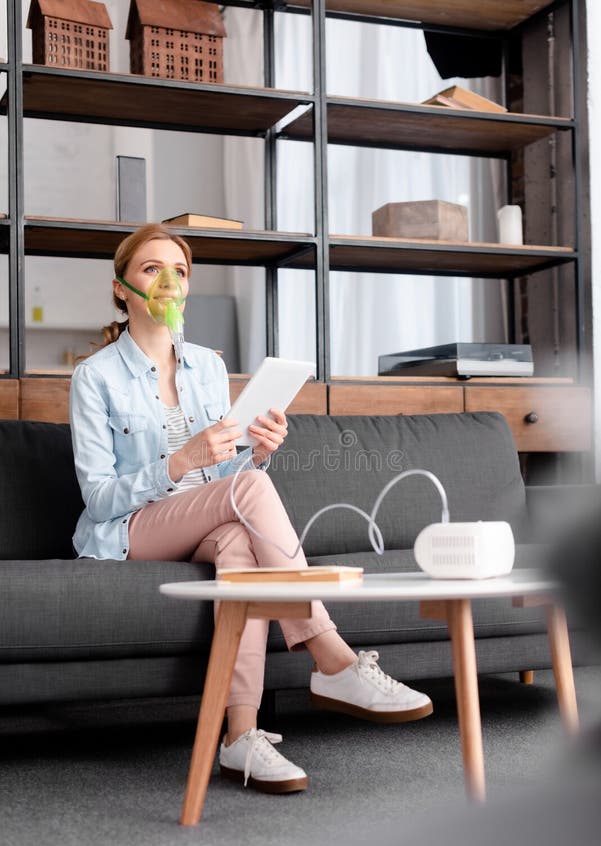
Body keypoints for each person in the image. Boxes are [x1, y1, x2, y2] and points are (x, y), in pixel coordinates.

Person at [69, 223, 433, 795]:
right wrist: (180, 461)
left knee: (240, 543)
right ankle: (332, 658)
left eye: (180, 271)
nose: (168, 281)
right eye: (150, 269)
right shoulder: (95, 377)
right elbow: (98, 497)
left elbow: (228, 482)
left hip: (205, 519)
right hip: (130, 530)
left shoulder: (209, 368)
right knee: (251, 497)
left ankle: (241, 736)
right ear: (121, 288)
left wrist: (257, 454)